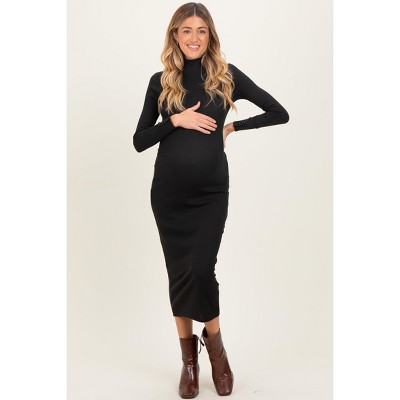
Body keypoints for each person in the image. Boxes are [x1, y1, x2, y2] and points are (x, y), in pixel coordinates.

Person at [133, 2, 289, 398]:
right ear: (175, 35)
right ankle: (189, 361)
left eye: (201, 31)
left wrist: (233, 126)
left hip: (210, 194)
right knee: (179, 273)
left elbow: (279, 112)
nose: (194, 37)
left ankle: (216, 350)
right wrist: (175, 120)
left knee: (201, 269)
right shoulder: (160, 82)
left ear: (210, 36)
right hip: (168, 194)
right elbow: (139, 140)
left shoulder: (226, 76)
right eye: (186, 30)